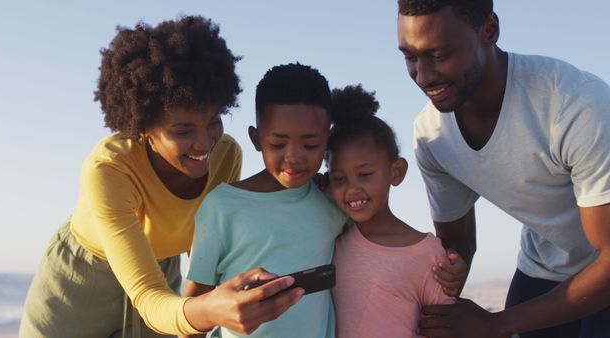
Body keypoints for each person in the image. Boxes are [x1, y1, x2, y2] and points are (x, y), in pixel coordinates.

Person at [20, 16, 302, 338]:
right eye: (183, 130)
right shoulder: (110, 169)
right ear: (144, 129)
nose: (205, 142)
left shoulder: (226, 155)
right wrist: (206, 310)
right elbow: (146, 295)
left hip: (161, 272)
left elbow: (207, 254)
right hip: (80, 281)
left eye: (213, 121)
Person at [396, 0, 610, 337]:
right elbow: (457, 247)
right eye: (410, 57)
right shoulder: (432, 135)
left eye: (439, 55)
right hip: (544, 266)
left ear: (490, 31)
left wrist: (495, 324)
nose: (422, 76)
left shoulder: (574, 105)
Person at [183, 63, 349, 338]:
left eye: (310, 145)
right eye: (278, 144)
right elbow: (194, 311)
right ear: (256, 138)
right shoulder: (222, 207)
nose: (294, 156)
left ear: (328, 141)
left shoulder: (333, 203)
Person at [326, 84, 455, 338]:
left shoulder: (428, 254)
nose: (352, 189)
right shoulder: (332, 239)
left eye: (364, 175)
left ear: (396, 172)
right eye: (339, 179)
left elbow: (446, 326)